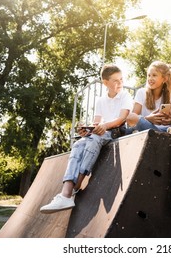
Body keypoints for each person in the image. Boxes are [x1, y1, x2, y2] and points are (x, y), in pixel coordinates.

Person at [40, 64, 133, 214]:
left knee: (95, 139)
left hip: (116, 131)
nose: (120, 83)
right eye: (116, 81)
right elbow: (96, 123)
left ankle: (74, 188)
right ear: (105, 82)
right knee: (78, 144)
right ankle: (66, 192)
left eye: (121, 79)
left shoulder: (125, 96)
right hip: (101, 133)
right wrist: (87, 130)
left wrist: (104, 126)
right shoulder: (101, 100)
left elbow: (122, 119)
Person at [126, 61, 171, 133]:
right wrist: (148, 119)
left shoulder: (170, 96)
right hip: (147, 129)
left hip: (164, 128)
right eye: (149, 75)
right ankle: (162, 134)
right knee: (131, 117)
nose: (150, 78)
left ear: (164, 79)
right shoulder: (141, 93)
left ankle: (163, 133)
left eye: (154, 75)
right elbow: (131, 119)